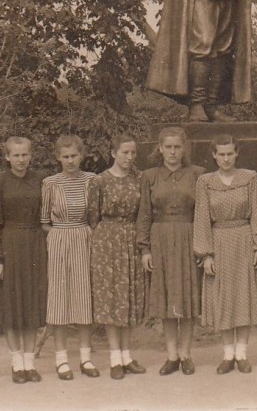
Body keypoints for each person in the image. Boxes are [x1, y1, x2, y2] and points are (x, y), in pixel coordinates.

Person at [137, 127, 206, 376]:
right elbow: (144, 214)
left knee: (187, 295)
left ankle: (186, 354)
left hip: (189, 236)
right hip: (161, 238)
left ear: (184, 148)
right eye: (169, 147)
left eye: (177, 147)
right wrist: (145, 249)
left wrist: (203, 247)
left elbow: (203, 214)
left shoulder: (198, 174)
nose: (173, 152)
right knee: (166, 297)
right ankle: (171, 355)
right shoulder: (150, 176)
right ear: (161, 148)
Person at [194, 135, 257, 373]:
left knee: (243, 294)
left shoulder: (250, 177)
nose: (225, 158)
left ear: (237, 154)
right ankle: (227, 354)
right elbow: (202, 218)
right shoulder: (205, 181)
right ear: (214, 155)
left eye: (229, 154)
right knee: (223, 296)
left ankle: (242, 354)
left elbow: (256, 212)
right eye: (221, 154)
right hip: (219, 240)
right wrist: (206, 255)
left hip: (244, 238)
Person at [0, 136, 48, 384]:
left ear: (30, 155)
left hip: (35, 244)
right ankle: (16, 363)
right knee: (13, 306)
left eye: (25, 155)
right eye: (16, 155)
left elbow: (48, 215)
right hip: (11, 244)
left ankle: (30, 362)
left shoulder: (40, 179)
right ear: (7, 157)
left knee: (32, 303)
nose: (21, 160)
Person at [87, 135, 145, 380]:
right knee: (111, 296)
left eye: (132, 153)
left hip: (131, 238)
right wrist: (104, 240)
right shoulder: (99, 181)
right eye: (124, 153)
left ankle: (127, 356)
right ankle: (114, 357)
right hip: (107, 240)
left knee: (129, 295)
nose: (129, 158)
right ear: (113, 153)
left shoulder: (140, 179)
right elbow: (93, 215)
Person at [40, 135, 98, 380]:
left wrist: (85, 235)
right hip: (59, 238)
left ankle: (86, 358)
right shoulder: (50, 183)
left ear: (81, 155)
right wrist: (60, 238)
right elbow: (44, 221)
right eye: (65, 156)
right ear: (58, 158)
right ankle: (61, 359)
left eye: (74, 156)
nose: (70, 161)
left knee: (84, 297)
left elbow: (96, 214)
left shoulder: (92, 180)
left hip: (85, 237)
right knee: (59, 300)